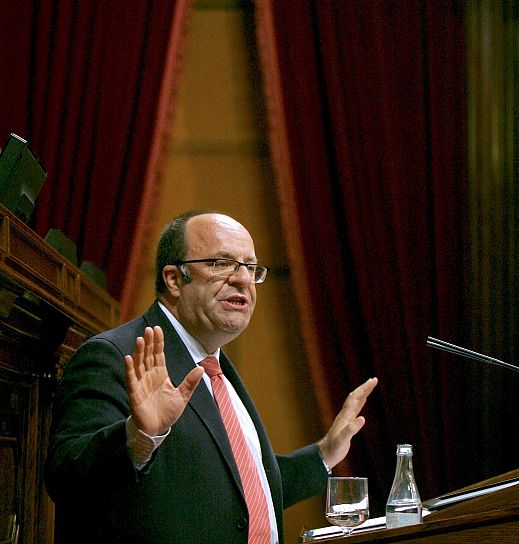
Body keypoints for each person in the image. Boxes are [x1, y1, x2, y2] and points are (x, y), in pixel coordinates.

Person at [45, 211, 377, 544]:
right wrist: (138, 436)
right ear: (175, 279)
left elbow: (240, 488)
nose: (242, 279)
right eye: (221, 263)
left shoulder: (216, 368)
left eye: (251, 267)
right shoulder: (115, 356)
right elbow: (66, 479)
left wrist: (324, 454)